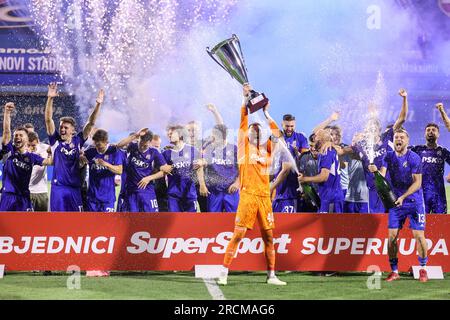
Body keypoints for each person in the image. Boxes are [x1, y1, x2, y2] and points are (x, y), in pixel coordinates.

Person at [217, 83, 286, 286]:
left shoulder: (268, 149)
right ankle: (223, 272)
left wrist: (266, 114)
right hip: (247, 195)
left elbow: (279, 134)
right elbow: (243, 119)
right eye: (252, 130)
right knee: (238, 235)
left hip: (264, 197)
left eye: (258, 130)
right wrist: (244, 99)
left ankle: (271, 275)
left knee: (269, 238)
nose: (254, 132)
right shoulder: (243, 148)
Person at [368, 128, 428, 282]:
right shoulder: (388, 156)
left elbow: (418, 183)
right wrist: (375, 171)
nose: (398, 139)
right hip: (396, 202)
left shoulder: (414, 157)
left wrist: (403, 196)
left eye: (401, 137)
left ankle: (423, 269)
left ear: (407, 140)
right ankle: (394, 271)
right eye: (396, 137)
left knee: (418, 236)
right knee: (392, 237)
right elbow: (382, 174)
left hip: (414, 201)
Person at [44, 82, 104, 212]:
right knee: (57, 222)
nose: (62, 129)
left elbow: (91, 123)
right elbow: (49, 120)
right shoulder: (55, 141)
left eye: (66, 127)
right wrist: (50, 98)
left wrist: (98, 104)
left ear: (73, 130)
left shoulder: (78, 141)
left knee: (76, 222)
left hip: (74, 189)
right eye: (61, 127)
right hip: (58, 189)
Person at [350, 89, 409, 213]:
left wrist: (404, 98)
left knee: (394, 222)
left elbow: (402, 118)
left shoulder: (386, 137)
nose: (371, 130)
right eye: (368, 128)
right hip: (373, 189)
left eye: (374, 127)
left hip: (390, 188)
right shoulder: (361, 145)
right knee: (377, 221)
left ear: (379, 129)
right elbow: (344, 151)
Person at [0, 102, 52, 211]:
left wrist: (51, 152)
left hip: (24, 198)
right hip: (8, 196)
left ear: (27, 139)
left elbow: (49, 162)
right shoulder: (10, 151)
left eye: (20, 135)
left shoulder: (32, 157)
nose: (17, 137)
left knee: (25, 227)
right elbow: (6, 133)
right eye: (16, 136)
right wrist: (7, 113)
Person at [116, 129, 172, 212]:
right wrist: (136, 135)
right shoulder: (132, 146)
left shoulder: (154, 152)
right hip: (131, 191)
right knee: (132, 220)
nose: (141, 147)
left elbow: (166, 170)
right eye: (140, 144)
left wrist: (149, 178)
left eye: (145, 146)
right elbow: (119, 145)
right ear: (139, 140)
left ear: (150, 143)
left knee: (150, 219)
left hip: (147, 191)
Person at [298, 129, 343, 213]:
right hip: (328, 196)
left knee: (330, 225)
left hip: (331, 198)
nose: (314, 140)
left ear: (321, 140)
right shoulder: (327, 150)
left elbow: (324, 177)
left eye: (316, 139)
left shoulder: (326, 152)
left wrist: (304, 179)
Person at [163, 125, 206, 212]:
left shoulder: (192, 150)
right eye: (168, 134)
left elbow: (199, 168)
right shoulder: (166, 154)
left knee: (191, 222)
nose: (169, 135)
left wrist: (202, 185)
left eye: (172, 133)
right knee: (175, 222)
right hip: (173, 194)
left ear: (180, 134)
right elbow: (161, 171)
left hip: (189, 192)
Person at [410, 123, 450, 214]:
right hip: (421, 193)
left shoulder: (443, 151)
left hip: (439, 194)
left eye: (433, 130)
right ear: (424, 134)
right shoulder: (417, 149)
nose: (430, 132)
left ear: (438, 134)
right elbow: (402, 154)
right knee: (421, 223)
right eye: (428, 130)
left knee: (440, 222)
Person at [202, 124, 240, 212]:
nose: (212, 138)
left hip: (231, 190)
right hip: (214, 191)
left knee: (233, 219)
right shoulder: (208, 149)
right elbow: (201, 166)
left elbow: (243, 169)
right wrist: (203, 185)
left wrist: (237, 183)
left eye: (214, 135)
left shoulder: (235, 149)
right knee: (213, 220)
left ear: (222, 137)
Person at [83, 129, 123, 212]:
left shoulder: (114, 152)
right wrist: (81, 156)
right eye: (96, 146)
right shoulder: (90, 152)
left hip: (107, 198)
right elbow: (80, 155)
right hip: (92, 198)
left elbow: (119, 170)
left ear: (106, 142)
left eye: (100, 146)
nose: (98, 149)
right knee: (90, 224)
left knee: (107, 224)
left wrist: (106, 164)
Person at [27, 131, 51, 211]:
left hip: (41, 191)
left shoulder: (45, 148)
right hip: (26, 192)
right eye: (28, 145)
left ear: (38, 141)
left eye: (33, 145)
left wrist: (50, 154)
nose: (30, 148)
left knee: (42, 221)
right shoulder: (22, 151)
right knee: (24, 221)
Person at [297, 134, 319, 212]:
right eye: (310, 146)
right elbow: (300, 176)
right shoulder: (303, 157)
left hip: (324, 196)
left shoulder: (327, 156)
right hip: (309, 196)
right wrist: (304, 192)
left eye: (315, 146)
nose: (312, 148)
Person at [151, 134, 169, 212]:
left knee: (163, 210)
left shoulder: (163, 155)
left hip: (161, 188)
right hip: (148, 188)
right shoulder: (144, 156)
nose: (157, 149)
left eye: (158, 146)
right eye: (155, 147)